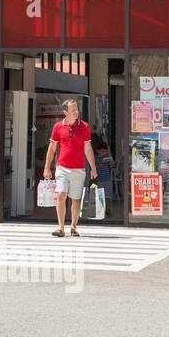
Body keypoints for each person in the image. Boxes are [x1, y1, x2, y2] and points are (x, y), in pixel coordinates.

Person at [42, 98, 97, 237]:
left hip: (79, 169)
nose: (76, 112)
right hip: (62, 167)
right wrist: (47, 167)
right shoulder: (58, 127)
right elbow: (52, 148)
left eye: (77, 109)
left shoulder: (84, 126)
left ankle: (73, 227)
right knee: (61, 194)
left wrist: (93, 168)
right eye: (73, 110)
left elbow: (88, 148)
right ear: (65, 112)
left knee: (76, 199)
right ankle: (61, 228)